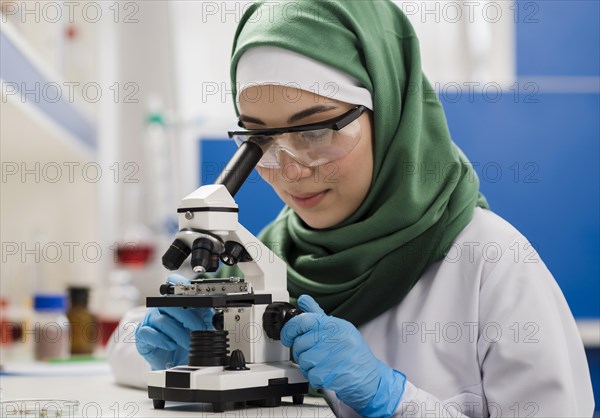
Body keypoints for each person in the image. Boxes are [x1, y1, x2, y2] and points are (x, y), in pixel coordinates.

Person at [107, 1, 595, 416]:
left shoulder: (493, 263)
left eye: (315, 131)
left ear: (390, 112)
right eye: (260, 140)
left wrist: (396, 400)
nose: (291, 170)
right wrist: (165, 348)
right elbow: (123, 347)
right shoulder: (269, 260)